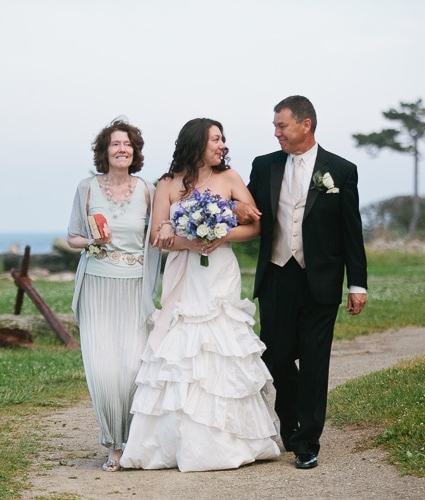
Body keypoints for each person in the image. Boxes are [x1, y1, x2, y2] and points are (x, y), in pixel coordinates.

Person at [119, 118, 280, 472]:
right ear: (196, 143)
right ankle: (173, 442)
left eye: (223, 140)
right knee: (181, 345)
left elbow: (255, 226)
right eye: (215, 140)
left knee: (220, 343)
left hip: (219, 271)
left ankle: (230, 441)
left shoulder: (230, 178)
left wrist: (221, 237)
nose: (222, 145)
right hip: (184, 271)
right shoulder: (167, 183)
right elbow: (157, 237)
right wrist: (190, 241)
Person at [236, 95, 368, 470]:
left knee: (314, 361)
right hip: (277, 276)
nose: (276, 132)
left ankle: (306, 441)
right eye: (275, 126)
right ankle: (289, 422)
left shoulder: (341, 170)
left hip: (321, 280)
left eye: (282, 125)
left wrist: (357, 284)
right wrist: (230, 210)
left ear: (305, 125)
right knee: (275, 356)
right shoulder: (265, 165)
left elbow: (351, 231)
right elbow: (245, 205)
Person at [66, 118, 161, 472]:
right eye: (115, 144)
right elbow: (72, 236)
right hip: (97, 284)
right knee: (103, 368)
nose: (122, 149)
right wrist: (93, 241)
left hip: (134, 284)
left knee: (132, 366)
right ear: (104, 151)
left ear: (134, 152)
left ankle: (134, 440)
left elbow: (155, 241)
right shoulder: (86, 187)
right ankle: (114, 445)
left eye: (128, 144)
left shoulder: (148, 190)